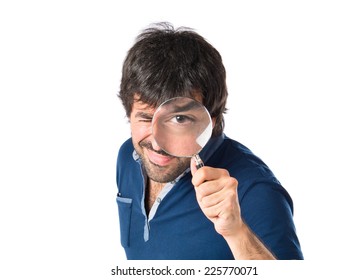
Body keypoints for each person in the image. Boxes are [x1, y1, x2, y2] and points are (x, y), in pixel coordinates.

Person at [116, 22, 303, 260]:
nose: (157, 143)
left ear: (211, 119)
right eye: (145, 118)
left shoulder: (255, 191)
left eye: (179, 119)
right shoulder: (130, 157)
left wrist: (237, 232)